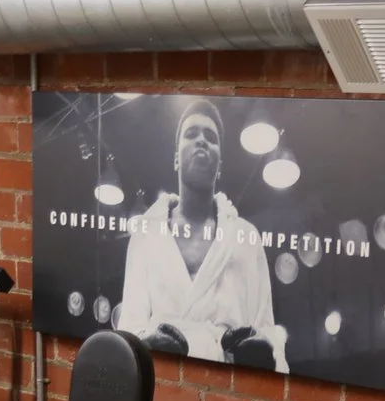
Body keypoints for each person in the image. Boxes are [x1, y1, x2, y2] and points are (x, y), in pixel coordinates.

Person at [116, 100, 287, 372]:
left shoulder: (246, 236)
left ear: (220, 164)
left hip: (228, 382)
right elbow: (129, 329)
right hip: (163, 378)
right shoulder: (146, 234)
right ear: (175, 157)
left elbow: (266, 331)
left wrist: (261, 351)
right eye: (191, 133)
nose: (201, 141)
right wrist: (149, 342)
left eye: (211, 137)